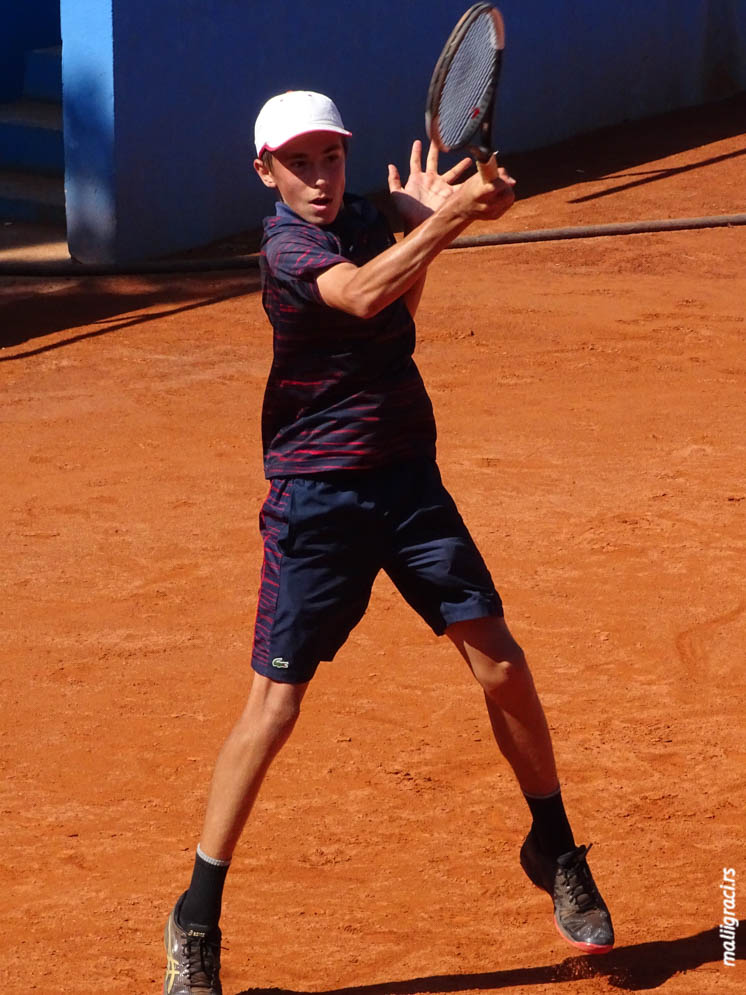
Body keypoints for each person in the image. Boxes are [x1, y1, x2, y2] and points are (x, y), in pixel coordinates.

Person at [163, 90, 614, 995]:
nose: (321, 178)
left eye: (331, 158)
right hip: (316, 503)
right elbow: (365, 292)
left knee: (500, 660)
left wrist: (475, 201)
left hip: (409, 482)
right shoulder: (287, 249)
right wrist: (440, 222)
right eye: (300, 164)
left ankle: (555, 844)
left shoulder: (368, 215)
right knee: (274, 709)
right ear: (267, 172)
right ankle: (196, 912)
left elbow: (420, 248)